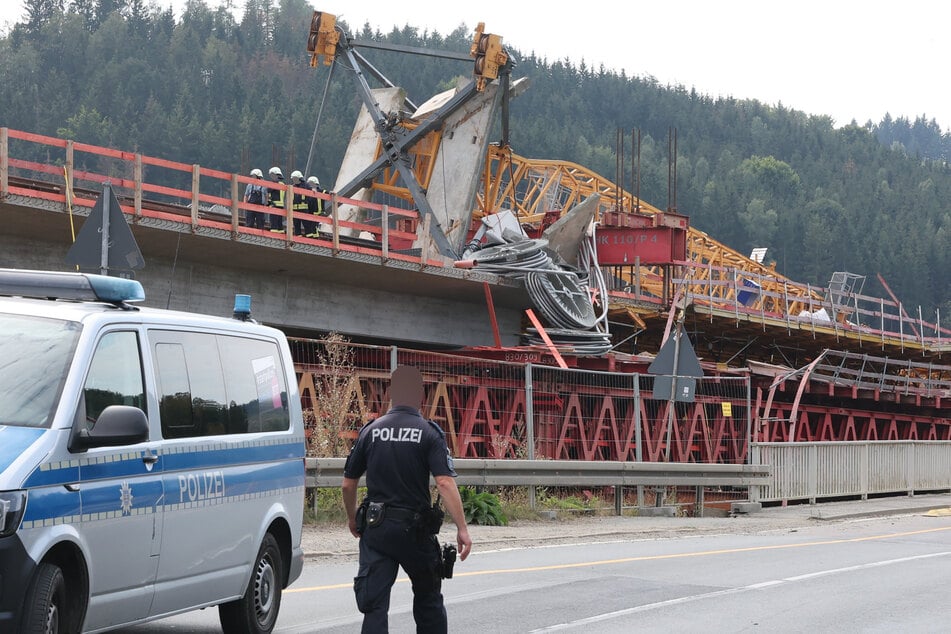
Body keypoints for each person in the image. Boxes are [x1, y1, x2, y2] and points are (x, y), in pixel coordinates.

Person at [342, 366, 472, 634]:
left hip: (376, 530)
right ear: (420, 396)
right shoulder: (428, 432)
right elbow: (445, 482)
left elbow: (348, 482)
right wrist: (462, 528)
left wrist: (353, 517)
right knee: (428, 598)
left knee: (375, 606)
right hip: (415, 532)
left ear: (390, 395)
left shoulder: (371, 431)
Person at [289, 170, 311, 236]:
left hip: (304, 209)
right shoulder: (292, 187)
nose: (293, 180)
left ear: (299, 178)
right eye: (293, 179)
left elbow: (310, 195)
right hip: (295, 209)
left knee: (307, 224)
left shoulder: (306, 186)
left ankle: (309, 238)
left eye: (295, 178)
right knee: (296, 225)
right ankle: (298, 238)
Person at [267, 166, 286, 232]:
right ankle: (281, 233)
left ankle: (274, 234)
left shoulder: (275, 184)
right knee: (279, 222)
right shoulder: (282, 184)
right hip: (281, 206)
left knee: (274, 222)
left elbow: (268, 191)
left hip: (274, 205)